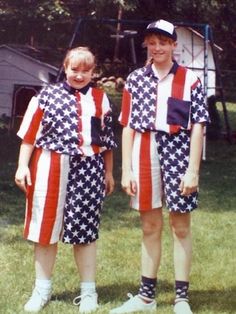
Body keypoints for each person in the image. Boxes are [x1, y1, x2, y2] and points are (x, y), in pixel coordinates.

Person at [110, 19, 209, 314]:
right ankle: (146, 297)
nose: (158, 47)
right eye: (152, 42)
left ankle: (181, 298)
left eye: (163, 42)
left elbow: (198, 127)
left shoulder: (190, 80)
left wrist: (193, 169)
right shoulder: (135, 80)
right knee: (150, 225)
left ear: (174, 45)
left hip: (179, 155)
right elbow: (127, 126)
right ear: (146, 45)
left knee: (180, 226)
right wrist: (126, 169)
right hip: (143, 152)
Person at [15, 46, 116, 313]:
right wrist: (22, 166)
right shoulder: (46, 96)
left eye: (86, 71)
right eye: (74, 69)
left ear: (93, 72)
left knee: (84, 232)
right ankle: (42, 290)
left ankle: (88, 292)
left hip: (89, 169)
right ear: (65, 67)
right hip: (50, 166)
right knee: (45, 231)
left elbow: (106, 142)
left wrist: (108, 172)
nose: (79, 75)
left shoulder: (100, 99)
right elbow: (29, 136)